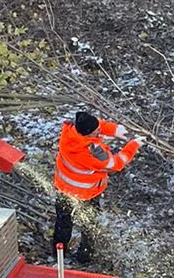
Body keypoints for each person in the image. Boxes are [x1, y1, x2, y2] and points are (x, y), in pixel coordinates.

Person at [51, 109, 140, 264]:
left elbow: (95, 125)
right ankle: (84, 258)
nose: (100, 131)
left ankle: (58, 252)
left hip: (63, 188)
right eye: (97, 131)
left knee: (62, 223)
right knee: (90, 224)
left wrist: (114, 129)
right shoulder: (91, 153)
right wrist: (133, 145)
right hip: (86, 193)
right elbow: (116, 163)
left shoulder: (70, 131)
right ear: (88, 134)